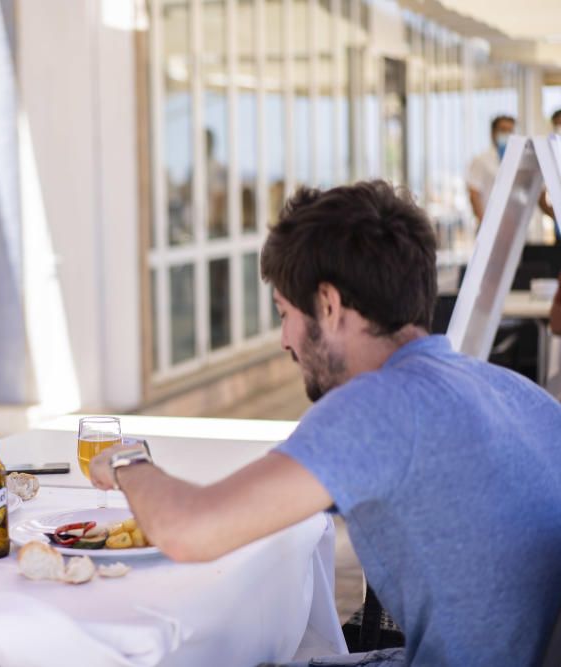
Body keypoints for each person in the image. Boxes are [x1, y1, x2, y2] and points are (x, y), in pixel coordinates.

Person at [90, 181, 561, 666]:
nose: (284, 340)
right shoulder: (512, 391)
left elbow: (189, 531)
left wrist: (128, 462)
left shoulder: (379, 404)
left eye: (285, 313)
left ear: (329, 305)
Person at [466, 114, 515, 223]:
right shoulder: (481, 160)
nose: (507, 134)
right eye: (503, 130)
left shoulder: (516, 160)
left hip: (511, 225)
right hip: (489, 225)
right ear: (493, 133)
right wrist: (484, 225)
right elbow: (474, 194)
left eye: (510, 131)